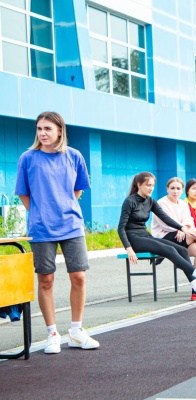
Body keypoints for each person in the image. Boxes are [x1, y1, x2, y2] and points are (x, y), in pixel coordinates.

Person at [15, 111, 99, 354]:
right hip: (41, 228)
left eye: (48, 129)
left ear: (60, 130)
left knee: (79, 276)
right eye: (39, 129)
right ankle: (52, 333)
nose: (42, 133)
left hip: (71, 225)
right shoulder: (27, 158)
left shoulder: (74, 156)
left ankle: (76, 331)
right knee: (46, 280)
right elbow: (23, 193)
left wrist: (63, 207)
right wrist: (40, 213)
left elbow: (77, 190)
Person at [118, 172, 196, 301]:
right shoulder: (129, 201)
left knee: (182, 250)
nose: (151, 188)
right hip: (134, 239)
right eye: (148, 185)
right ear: (139, 185)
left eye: (152, 185)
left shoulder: (150, 201)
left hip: (145, 236)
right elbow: (121, 228)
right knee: (169, 250)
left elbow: (165, 218)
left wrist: (182, 228)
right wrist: (128, 248)